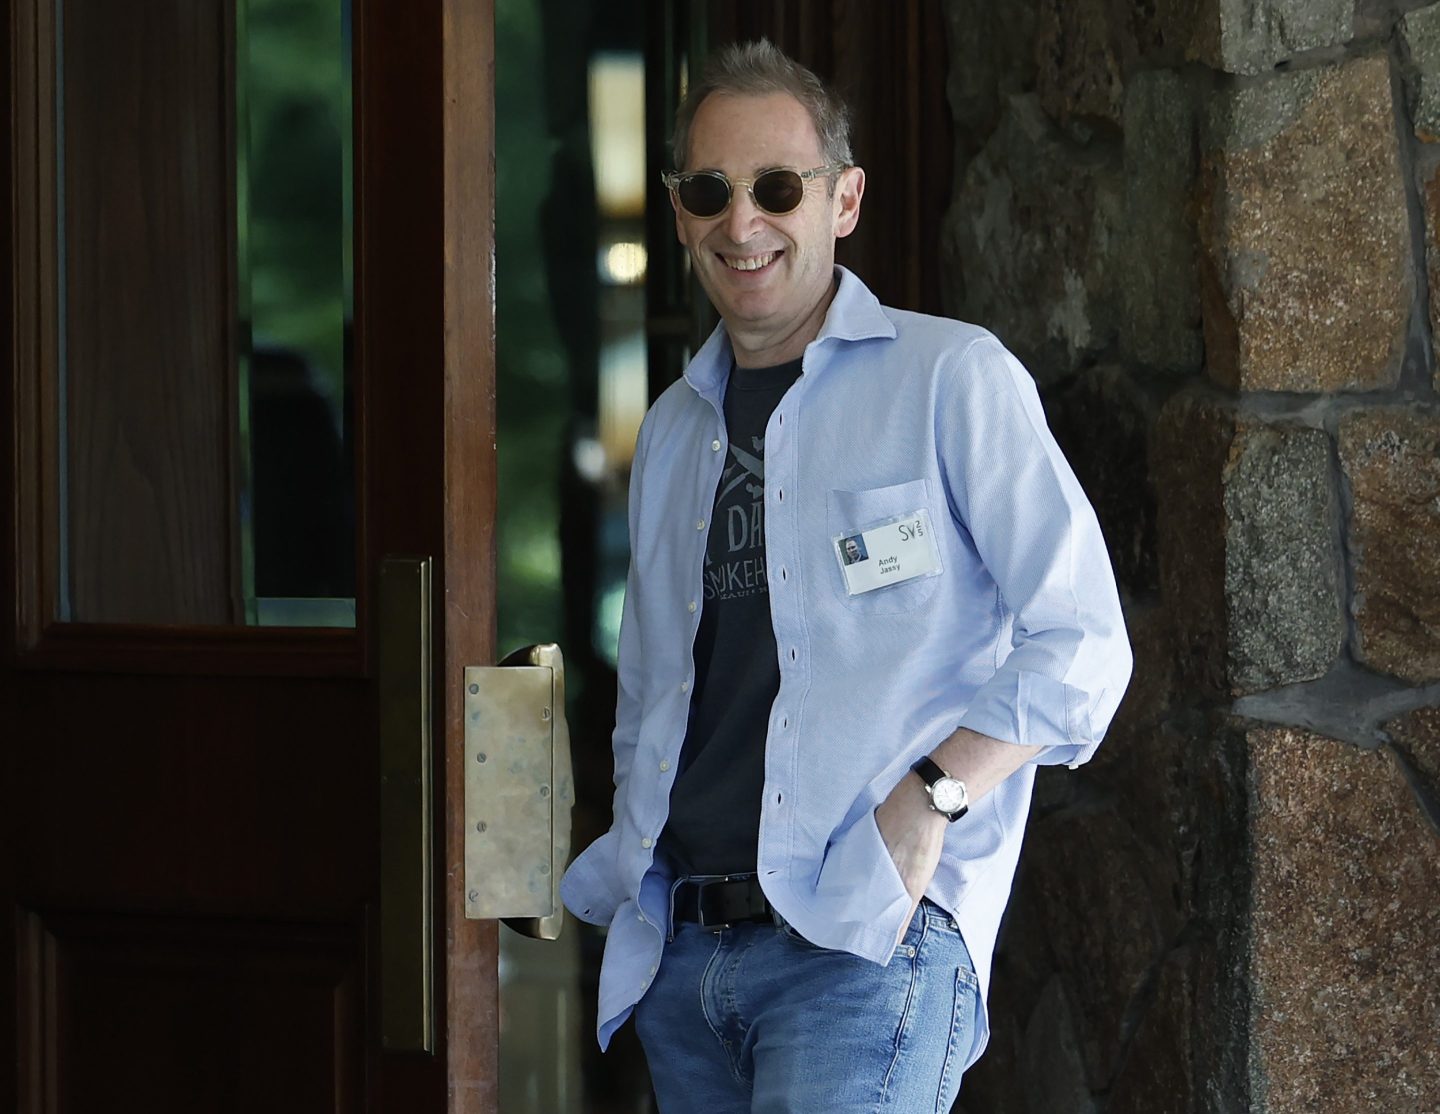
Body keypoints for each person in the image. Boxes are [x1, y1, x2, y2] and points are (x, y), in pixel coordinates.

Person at [561, 39, 1132, 1112]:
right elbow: (651, 700)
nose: (743, 223)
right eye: (710, 191)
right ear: (679, 212)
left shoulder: (949, 378)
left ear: (846, 199)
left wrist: (933, 797)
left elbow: (1085, 642)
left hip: (867, 947)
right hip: (687, 959)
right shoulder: (673, 433)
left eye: (778, 187)